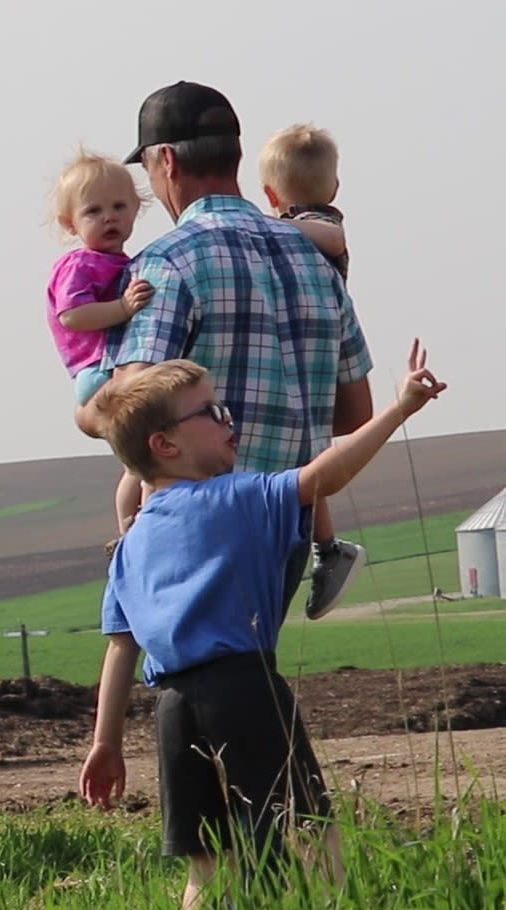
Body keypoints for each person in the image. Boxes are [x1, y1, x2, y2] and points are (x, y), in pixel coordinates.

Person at [78, 342, 448, 910]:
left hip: (173, 710)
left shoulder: (131, 544)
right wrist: (400, 408)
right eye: (211, 413)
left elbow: (121, 649)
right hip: (243, 691)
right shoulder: (233, 497)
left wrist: (105, 743)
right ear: (164, 445)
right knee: (309, 833)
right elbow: (328, 474)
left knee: (207, 864)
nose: (230, 422)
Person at [77, 80, 375, 621]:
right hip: (284, 523)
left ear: (165, 160)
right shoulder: (315, 260)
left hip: (198, 529)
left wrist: (86, 412)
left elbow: (131, 407)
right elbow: (355, 413)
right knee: (249, 680)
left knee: (198, 689)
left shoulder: (167, 262)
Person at [45, 149, 155, 539]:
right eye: (93, 211)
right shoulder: (80, 265)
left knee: (140, 459)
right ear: (70, 223)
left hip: (111, 367)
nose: (109, 216)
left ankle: (134, 524)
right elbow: (73, 315)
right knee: (146, 457)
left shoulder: (120, 262)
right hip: (99, 371)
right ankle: (135, 523)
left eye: (119, 206)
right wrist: (123, 308)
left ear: (136, 210)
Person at [260, 123, 350, 280]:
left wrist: (269, 222)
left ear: (271, 195)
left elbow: (334, 238)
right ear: (335, 188)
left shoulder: (320, 219)